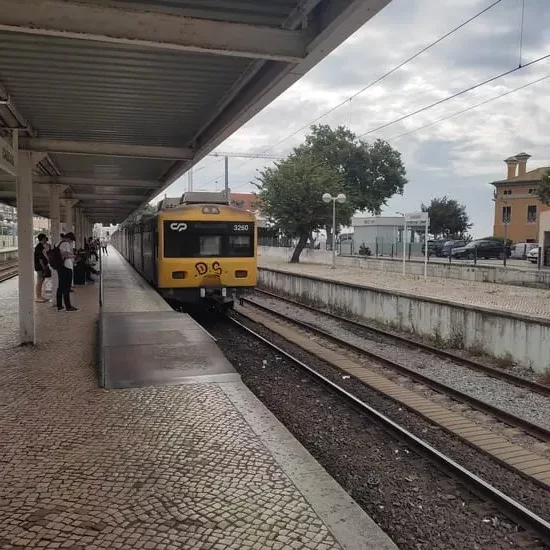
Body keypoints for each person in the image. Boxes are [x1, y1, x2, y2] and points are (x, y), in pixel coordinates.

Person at [56, 232, 78, 312]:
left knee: (60, 287)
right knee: (67, 287)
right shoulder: (65, 244)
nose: (71, 242)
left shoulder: (58, 242)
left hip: (60, 267)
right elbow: (66, 255)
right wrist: (73, 256)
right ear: (68, 238)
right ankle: (68, 307)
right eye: (71, 240)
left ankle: (59, 306)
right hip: (66, 267)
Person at [34, 233, 51, 303]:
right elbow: (40, 259)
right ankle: (38, 297)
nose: (45, 239)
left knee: (41, 281)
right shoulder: (39, 247)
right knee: (39, 281)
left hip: (41, 266)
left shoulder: (40, 246)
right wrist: (44, 268)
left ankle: (40, 296)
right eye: (45, 238)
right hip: (40, 267)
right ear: (43, 238)